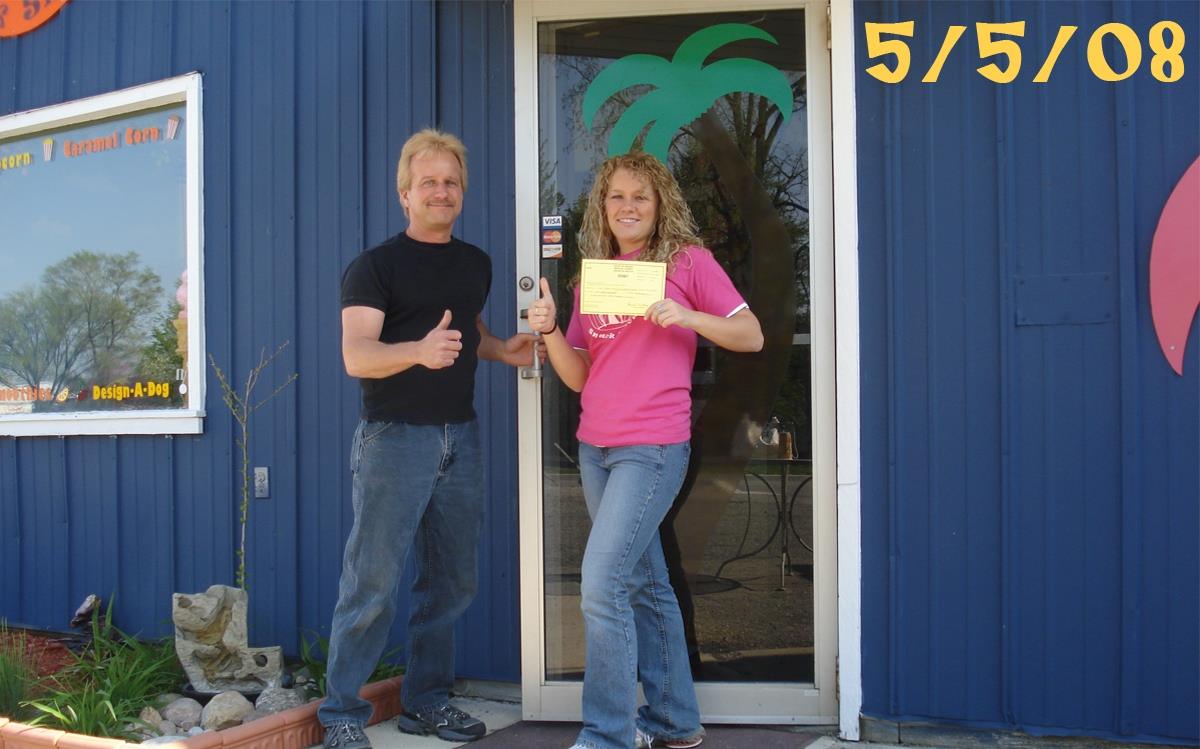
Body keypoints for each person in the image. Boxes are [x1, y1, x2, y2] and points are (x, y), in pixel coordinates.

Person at [527, 152, 763, 749]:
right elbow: (580, 376)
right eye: (616, 197)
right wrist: (552, 329)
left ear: (660, 205)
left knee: (601, 582)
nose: (628, 207)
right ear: (601, 207)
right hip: (595, 446)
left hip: (653, 446)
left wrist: (688, 314)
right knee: (643, 584)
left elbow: (750, 334)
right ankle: (675, 722)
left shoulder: (687, 262)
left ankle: (608, 734)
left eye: (640, 196)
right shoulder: (595, 277)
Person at [318, 129, 539, 749]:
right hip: (394, 440)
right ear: (404, 194)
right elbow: (357, 355)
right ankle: (340, 716)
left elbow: (468, 332)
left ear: (461, 192)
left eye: (450, 182)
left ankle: (427, 702)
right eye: (428, 182)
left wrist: (501, 350)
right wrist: (417, 351)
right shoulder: (375, 266)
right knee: (373, 584)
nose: (440, 191)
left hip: (459, 439)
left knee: (451, 583)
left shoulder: (475, 264)